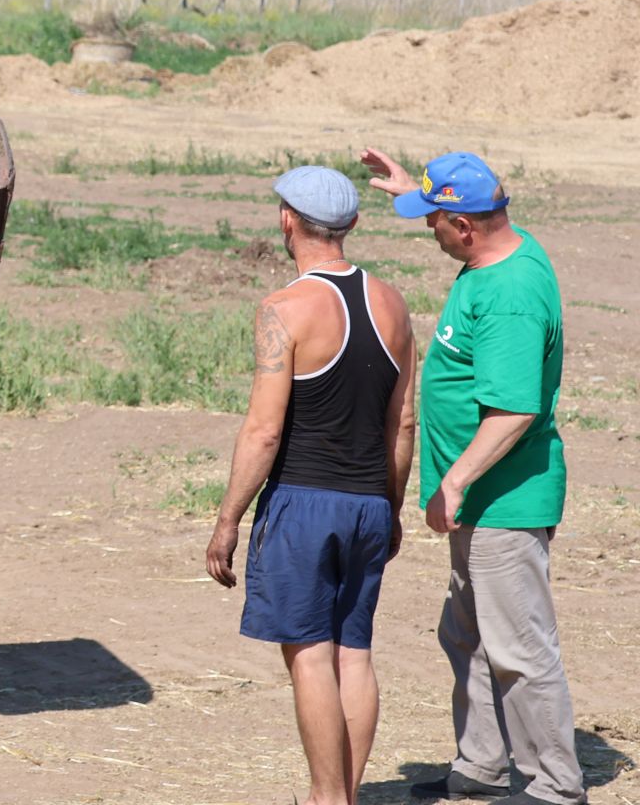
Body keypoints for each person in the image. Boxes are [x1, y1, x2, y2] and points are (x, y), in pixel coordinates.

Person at [360, 149, 584, 805]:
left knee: (518, 648)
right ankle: (481, 768)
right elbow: (453, 215)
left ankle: (555, 789)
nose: (427, 228)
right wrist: (413, 189)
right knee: (468, 635)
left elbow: (515, 409)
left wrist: (453, 481)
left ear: (464, 227)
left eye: (433, 218)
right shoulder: (489, 251)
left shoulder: (510, 295)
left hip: (504, 500)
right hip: (483, 499)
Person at [208, 165, 417, 805]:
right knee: (354, 652)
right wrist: (391, 507)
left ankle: (329, 798)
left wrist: (227, 521)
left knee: (310, 656)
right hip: (368, 505)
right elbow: (403, 421)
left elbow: (263, 433)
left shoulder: (284, 310)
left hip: (303, 505)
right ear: (352, 225)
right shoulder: (393, 305)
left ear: (287, 221)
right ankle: (345, 793)